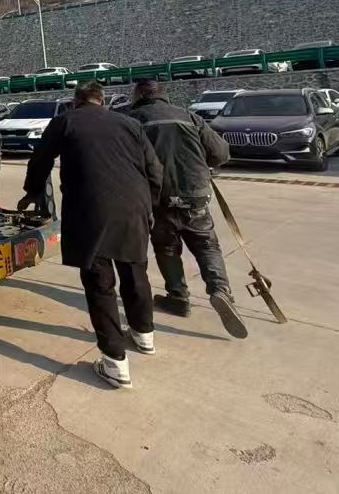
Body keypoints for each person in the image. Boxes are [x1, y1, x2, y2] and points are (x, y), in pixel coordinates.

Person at [21, 81, 163, 389]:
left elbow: (41, 160)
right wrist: (148, 206)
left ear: (76, 101)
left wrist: (32, 191)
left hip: (91, 211)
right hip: (134, 207)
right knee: (135, 270)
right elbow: (155, 170)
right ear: (102, 100)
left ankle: (115, 363)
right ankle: (144, 335)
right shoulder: (129, 123)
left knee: (100, 284)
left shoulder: (65, 121)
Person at [127, 79, 247, 339]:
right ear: (163, 95)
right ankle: (220, 290)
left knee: (166, 247)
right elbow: (221, 153)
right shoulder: (190, 117)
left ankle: (178, 297)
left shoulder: (132, 120)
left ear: (139, 95)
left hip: (158, 197)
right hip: (195, 193)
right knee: (207, 245)